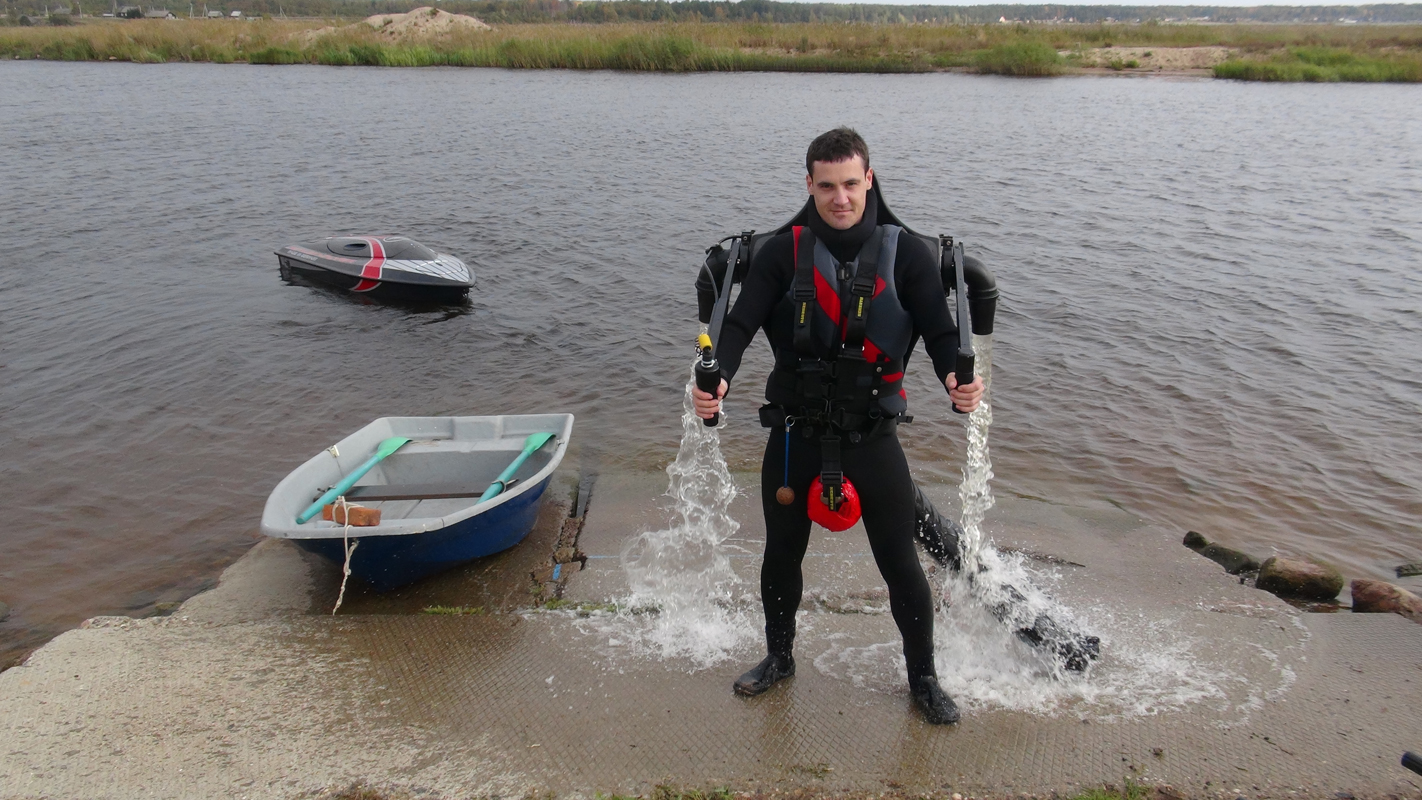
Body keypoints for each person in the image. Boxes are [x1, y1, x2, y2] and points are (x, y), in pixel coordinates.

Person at [692, 127, 984, 725]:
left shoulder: (906, 254)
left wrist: (958, 379)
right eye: (827, 186)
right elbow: (741, 324)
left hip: (871, 439)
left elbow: (940, 330)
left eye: (851, 184)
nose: (840, 198)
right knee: (781, 555)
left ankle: (923, 678)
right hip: (795, 435)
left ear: (869, 179)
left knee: (899, 561)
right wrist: (718, 376)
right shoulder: (782, 252)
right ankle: (779, 658)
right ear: (809, 185)